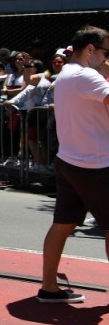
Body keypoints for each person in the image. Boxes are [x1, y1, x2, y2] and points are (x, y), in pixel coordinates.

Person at [36, 26, 109, 304]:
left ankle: (48, 287)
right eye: (105, 52)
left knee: (62, 225)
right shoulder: (88, 75)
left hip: (68, 160)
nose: (105, 58)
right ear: (90, 49)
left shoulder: (66, 73)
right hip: (96, 164)